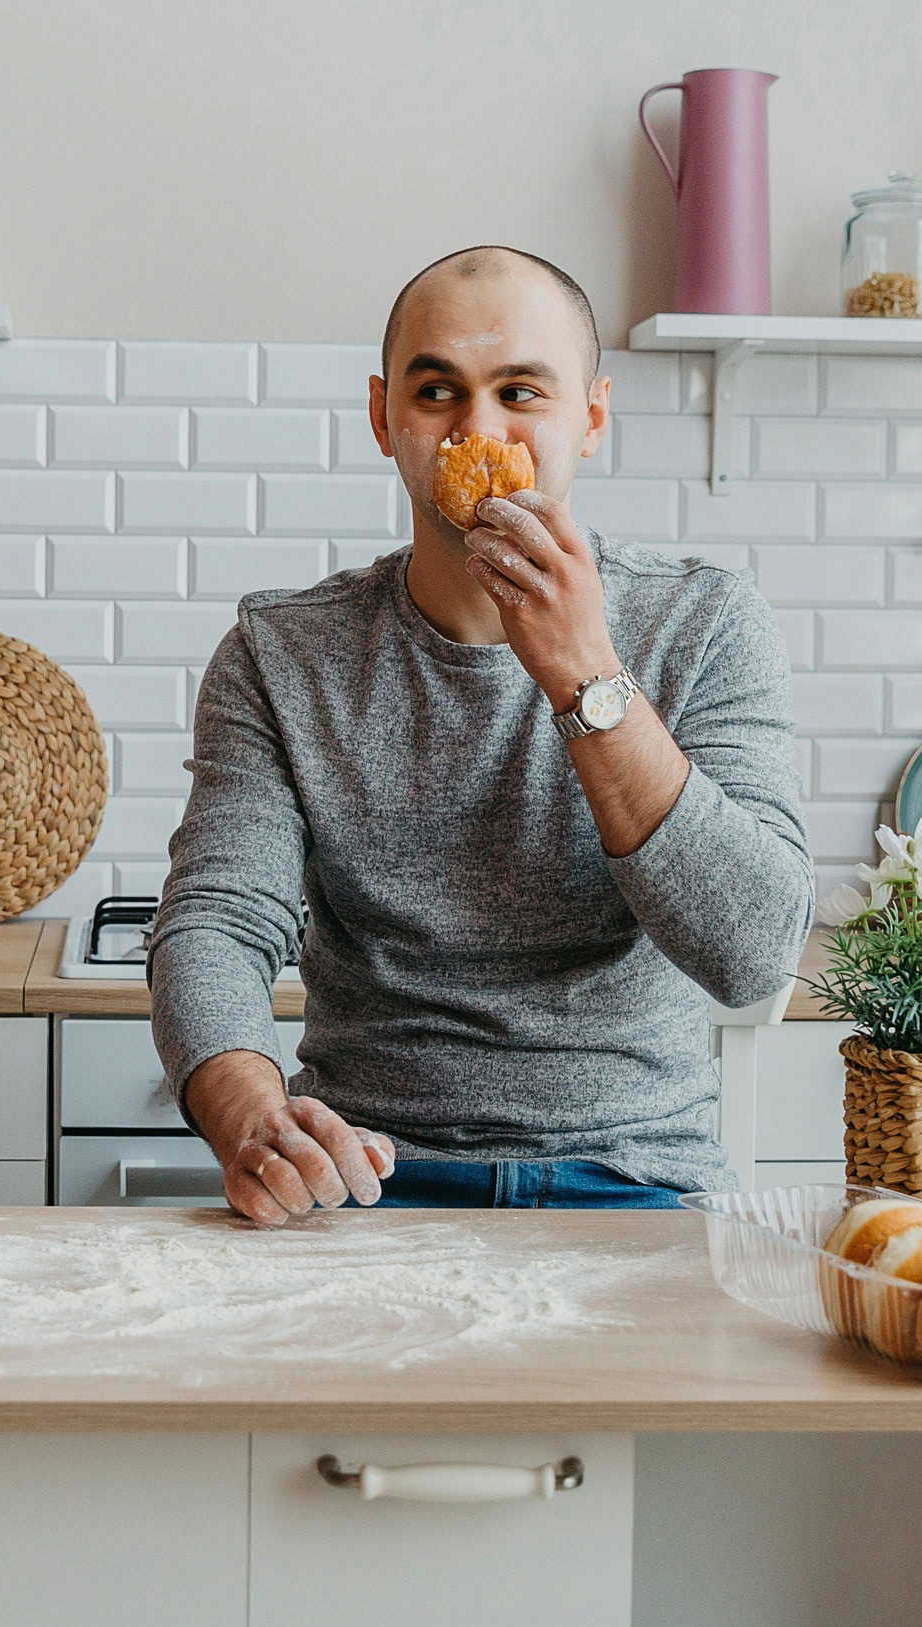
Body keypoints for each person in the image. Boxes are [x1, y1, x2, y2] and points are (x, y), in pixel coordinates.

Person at [149, 246, 812, 1225]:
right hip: (368, 1182)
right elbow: (215, 925)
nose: (478, 429)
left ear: (588, 417)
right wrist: (252, 1119)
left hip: (636, 1185)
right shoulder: (279, 655)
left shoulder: (704, 623)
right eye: (437, 391)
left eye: (519, 391)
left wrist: (585, 674)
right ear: (384, 418)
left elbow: (752, 954)